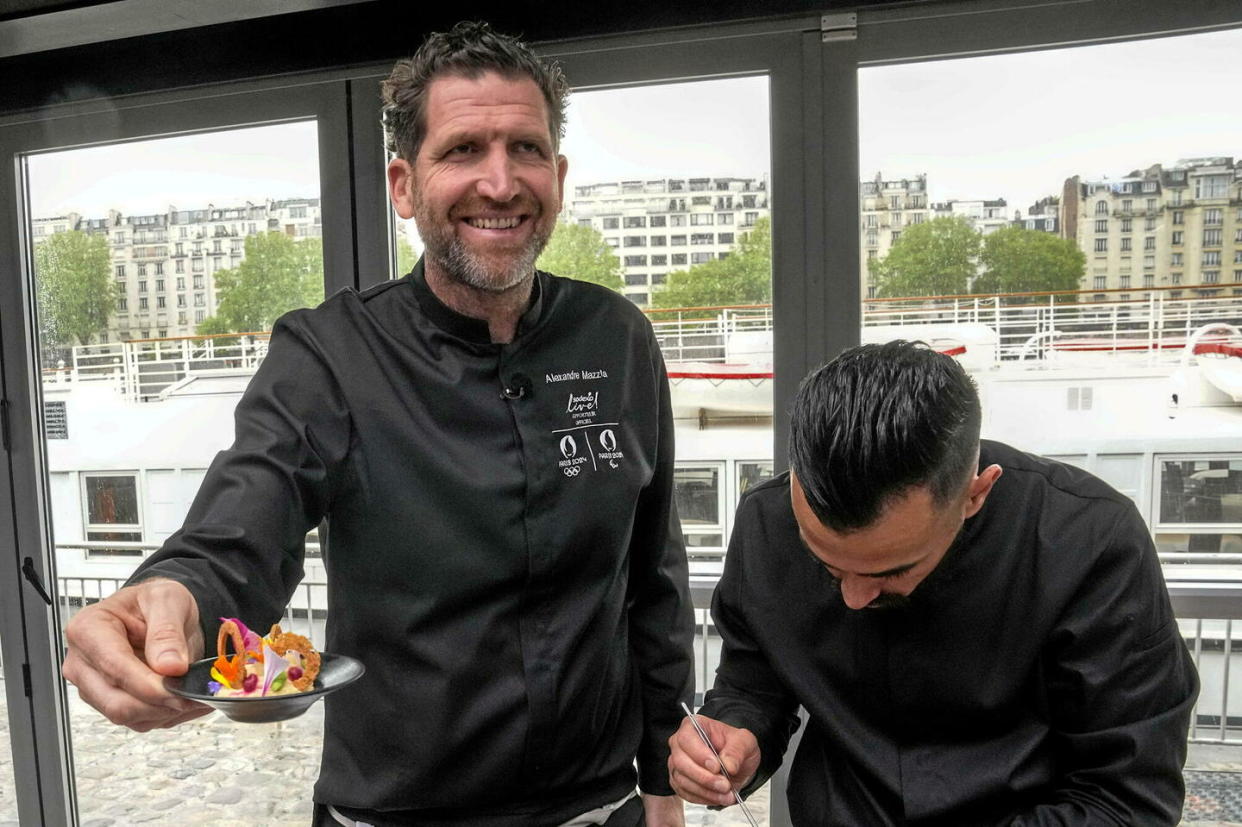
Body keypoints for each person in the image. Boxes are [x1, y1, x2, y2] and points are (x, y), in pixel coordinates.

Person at [62, 21, 694, 827]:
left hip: (598, 807)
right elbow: (246, 524)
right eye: (463, 150)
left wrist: (664, 776)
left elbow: (655, 580)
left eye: (525, 149)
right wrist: (174, 592)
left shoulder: (620, 338)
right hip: (397, 812)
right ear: (403, 184)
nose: (500, 184)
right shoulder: (328, 353)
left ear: (558, 174)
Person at [668, 340, 1198, 825]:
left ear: (975, 494)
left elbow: (1126, 798)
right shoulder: (768, 521)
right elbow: (755, 681)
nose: (852, 598)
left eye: (891, 570)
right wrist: (737, 735)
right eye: (825, 563)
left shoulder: (1090, 541)